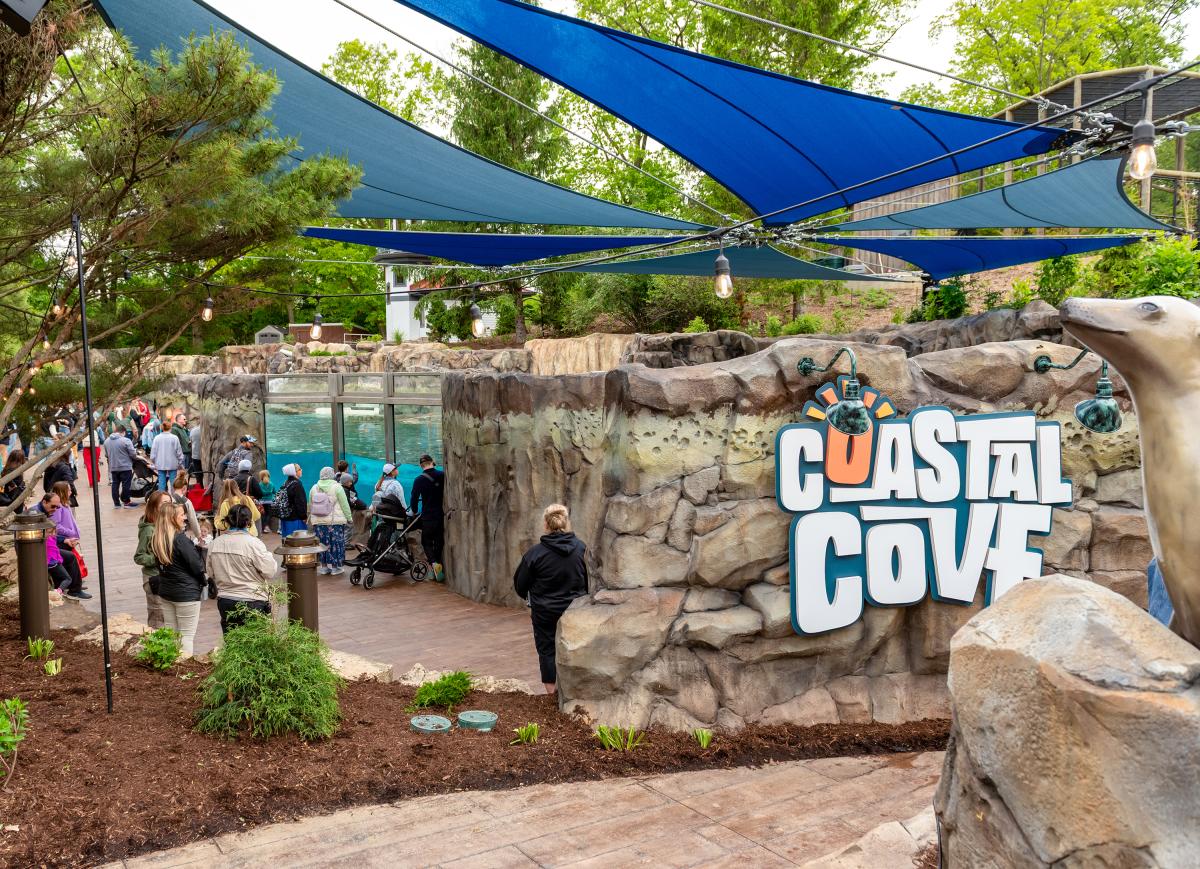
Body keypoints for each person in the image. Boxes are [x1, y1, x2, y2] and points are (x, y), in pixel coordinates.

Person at [513, 504, 589, 695]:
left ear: (546, 525)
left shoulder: (535, 554)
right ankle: (575, 692)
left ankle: (551, 695)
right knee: (576, 648)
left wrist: (534, 598)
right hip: (575, 610)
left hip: (544, 611)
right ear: (566, 522)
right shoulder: (581, 549)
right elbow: (589, 578)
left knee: (547, 650)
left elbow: (520, 585)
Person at [207, 504, 278, 634]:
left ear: (228, 520)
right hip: (252, 599)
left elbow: (211, 573)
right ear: (248, 522)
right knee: (256, 645)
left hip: (226, 600)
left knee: (233, 646)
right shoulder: (253, 543)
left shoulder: (215, 543)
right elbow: (270, 571)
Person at [150, 499, 208, 657]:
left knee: (172, 632)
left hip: (167, 591)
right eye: (182, 515)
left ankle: (171, 664)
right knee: (187, 636)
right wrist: (203, 581)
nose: (185, 518)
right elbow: (196, 566)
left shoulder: (157, 539)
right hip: (186, 593)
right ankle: (183, 668)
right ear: (172, 518)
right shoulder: (180, 540)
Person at [33, 492, 89, 599]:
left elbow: (50, 535)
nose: (55, 509)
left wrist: (64, 540)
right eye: (53, 506)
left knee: (70, 556)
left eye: (58, 507)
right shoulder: (36, 514)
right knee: (67, 556)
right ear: (44, 502)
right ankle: (68, 588)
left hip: (46, 547)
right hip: (40, 551)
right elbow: (45, 535)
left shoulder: (45, 512)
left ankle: (75, 588)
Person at [132, 490, 168, 628]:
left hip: (167, 577)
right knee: (158, 617)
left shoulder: (165, 523)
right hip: (153, 578)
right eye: (165, 503)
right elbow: (139, 557)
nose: (168, 505)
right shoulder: (148, 530)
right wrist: (157, 559)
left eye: (170, 502)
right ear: (155, 506)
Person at [308, 467, 352, 575]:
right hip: (334, 522)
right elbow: (344, 505)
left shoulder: (314, 488)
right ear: (332, 474)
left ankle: (323, 567)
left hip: (318, 522)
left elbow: (310, 504)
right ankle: (335, 567)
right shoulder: (337, 487)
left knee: (321, 544)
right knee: (335, 544)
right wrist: (349, 518)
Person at [410, 454, 445, 578]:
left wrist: (414, 511)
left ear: (421, 466)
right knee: (439, 541)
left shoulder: (419, 479)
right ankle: (438, 567)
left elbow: (414, 498)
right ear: (432, 462)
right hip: (441, 514)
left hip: (428, 515)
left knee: (426, 542)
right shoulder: (442, 475)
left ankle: (434, 563)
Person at [103, 425, 138, 508]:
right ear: (123, 432)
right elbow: (133, 454)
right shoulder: (126, 440)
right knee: (126, 485)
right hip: (125, 467)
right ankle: (126, 502)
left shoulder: (106, 441)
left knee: (115, 484)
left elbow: (106, 455)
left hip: (113, 467)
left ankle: (116, 503)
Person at [149, 419, 185, 491]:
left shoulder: (157, 438)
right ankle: (174, 499)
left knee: (161, 483)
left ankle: (162, 500)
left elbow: (153, 453)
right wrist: (180, 462)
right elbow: (179, 452)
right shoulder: (174, 438)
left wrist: (154, 462)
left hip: (160, 463)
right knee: (173, 483)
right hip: (172, 463)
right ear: (170, 427)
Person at [171, 473, 204, 544]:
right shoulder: (187, 502)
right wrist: (198, 535)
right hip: (180, 531)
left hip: (168, 530)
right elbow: (193, 519)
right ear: (184, 488)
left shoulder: (169, 499)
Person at [276, 464, 308, 537]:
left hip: (285, 517)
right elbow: (300, 502)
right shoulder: (297, 484)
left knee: (287, 540)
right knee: (297, 541)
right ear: (295, 472)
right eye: (299, 469)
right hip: (295, 519)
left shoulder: (286, 483)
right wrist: (304, 516)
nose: (301, 470)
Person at [79, 419, 105, 489]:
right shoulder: (97, 428)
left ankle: (91, 482)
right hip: (95, 448)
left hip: (86, 449)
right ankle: (96, 481)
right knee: (95, 465)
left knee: (89, 466)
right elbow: (102, 439)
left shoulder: (83, 430)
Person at [0, 449, 27, 513]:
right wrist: (13, 485)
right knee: (18, 512)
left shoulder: (7, 468)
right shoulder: (18, 468)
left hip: (10, 493)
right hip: (16, 495)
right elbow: (13, 484)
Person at [257, 469, 278, 533]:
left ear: (261, 476)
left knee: (263, 514)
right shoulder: (271, 484)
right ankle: (266, 526)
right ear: (268, 476)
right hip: (269, 501)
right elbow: (275, 492)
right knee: (269, 514)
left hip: (262, 502)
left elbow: (258, 493)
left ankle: (263, 528)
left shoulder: (260, 484)